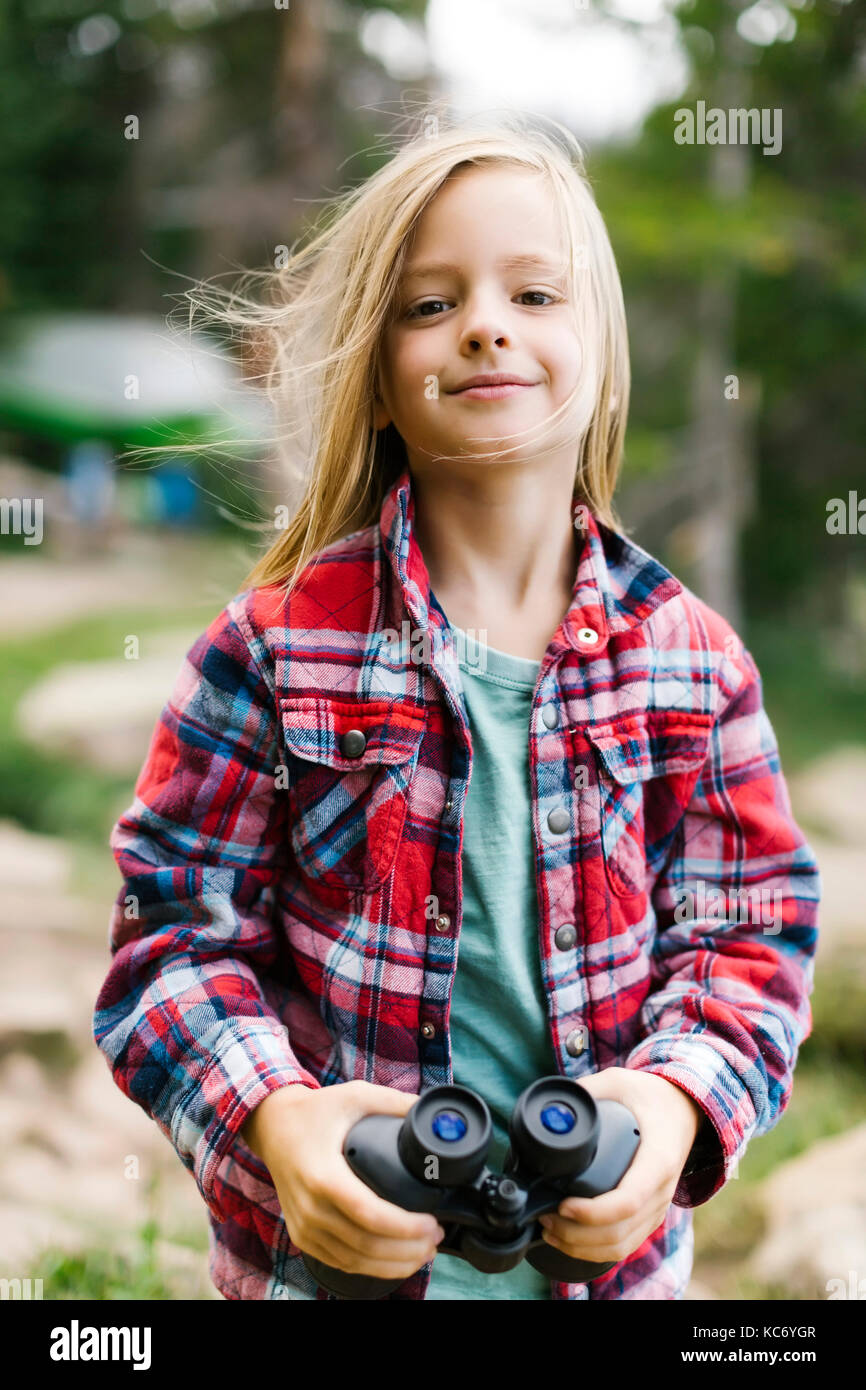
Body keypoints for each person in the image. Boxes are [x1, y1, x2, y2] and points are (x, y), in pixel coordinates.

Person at [92, 111, 820, 1302]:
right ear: (378, 377)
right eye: (430, 305)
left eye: (534, 293)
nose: (484, 323)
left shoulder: (695, 664)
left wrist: (672, 1100)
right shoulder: (274, 652)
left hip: (609, 1280)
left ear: (600, 348)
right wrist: (276, 1122)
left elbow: (749, 933)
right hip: (325, 1274)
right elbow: (168, 933)